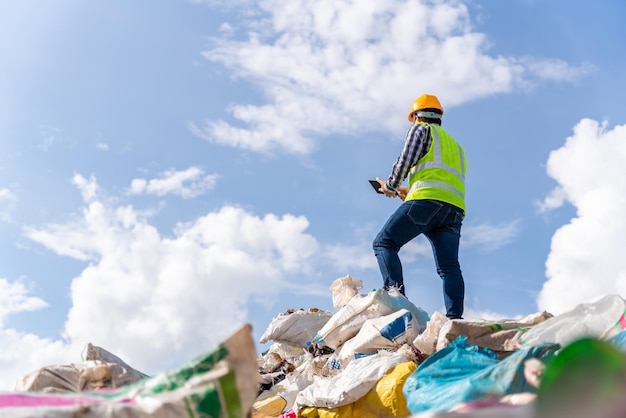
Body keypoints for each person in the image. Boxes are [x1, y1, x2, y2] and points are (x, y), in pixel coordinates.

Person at [372, 94, 467, 319]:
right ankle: (455, 319)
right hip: (453, 209)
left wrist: (392, 187)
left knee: (384, 243)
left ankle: (396, 301)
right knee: (449, 267)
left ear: (416, 116)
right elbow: (439, 178)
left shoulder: (421, 129)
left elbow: (405, 160)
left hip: (427, 201)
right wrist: (408, 192)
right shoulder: (457, 147)